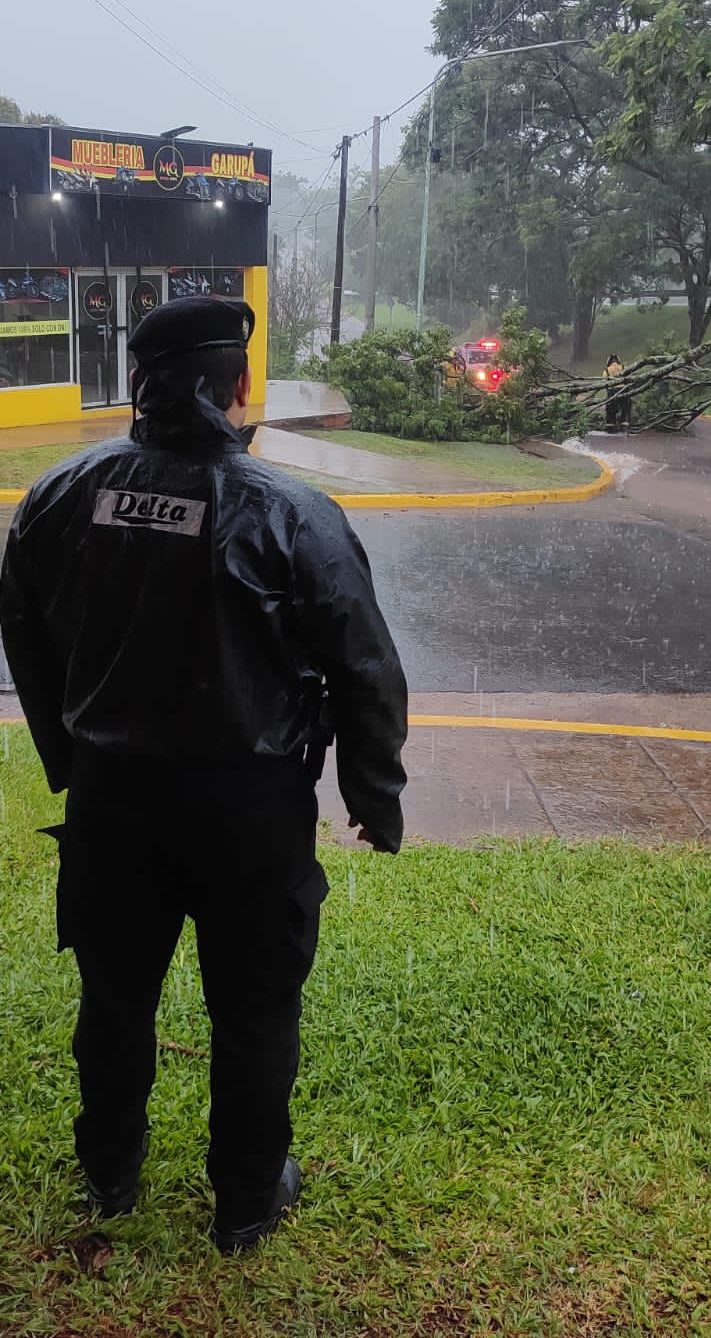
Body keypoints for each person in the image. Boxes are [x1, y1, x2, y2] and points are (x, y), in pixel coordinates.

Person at [0, 295, 407, 1253]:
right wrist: (372, 793)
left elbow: (21, 627)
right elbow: (364, 667)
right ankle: (246, 1201)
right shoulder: (291, 510)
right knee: (255, 1008)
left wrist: (70, 757)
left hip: (112, 805)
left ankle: (109, 1173)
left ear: (141, 383)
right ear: (234, 387)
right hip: (248, 815)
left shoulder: (61, 493)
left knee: (115, 995)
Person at [602, 352, 631, 431]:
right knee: (625, 408)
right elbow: (629, 379)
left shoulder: (606, 370)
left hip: (612, 392)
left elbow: (604, 383)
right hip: (624, 390)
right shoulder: (623, 367)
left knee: (610, 410)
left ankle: (610, 427)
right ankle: (624, 425)